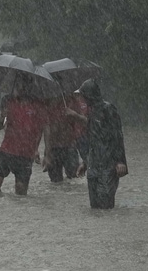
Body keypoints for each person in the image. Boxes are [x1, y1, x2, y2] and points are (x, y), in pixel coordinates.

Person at [66, 79, 127, 209]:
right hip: (93, 166)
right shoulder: (91, 111)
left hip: (108, 166)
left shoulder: (108, 109)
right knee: (95, 208)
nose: (81, 99)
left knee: (105, 206)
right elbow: (93, 139)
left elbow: (117, 136)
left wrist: (120, 161)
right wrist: (85, 162)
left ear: (89, 96)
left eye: (83, 95)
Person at [0, 73, 49, 195]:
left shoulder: (38, 104)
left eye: (20, 85)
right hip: (6, 150)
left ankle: (18, 213)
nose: (18, 88)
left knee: (21, 192)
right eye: (16, 85)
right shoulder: (7, 100)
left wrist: (45, 152)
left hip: (25, 154)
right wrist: (3, 117)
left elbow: (43, 128)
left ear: (27, 86)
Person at [42, 94, 82, 183]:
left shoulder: (72, 102)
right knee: (55, 182)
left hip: (70, 146)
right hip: (54, 148)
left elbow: (84, 122)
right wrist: (47, 154)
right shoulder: (47, 104)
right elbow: (46, 130)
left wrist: (74, 114)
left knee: (74, 179)